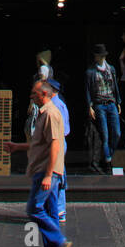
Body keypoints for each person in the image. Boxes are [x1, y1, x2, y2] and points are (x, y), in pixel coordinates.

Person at [5, 79, 71, 247]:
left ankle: (59, 241)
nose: (31, 96)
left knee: (34, 209)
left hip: (46, 171)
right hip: (45, 170)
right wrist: (18, 147)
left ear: (44, 94)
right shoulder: (43, 114)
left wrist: (49, 175)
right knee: (50, 212)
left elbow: (55, 146)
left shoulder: (50, 114)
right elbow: (40, 144)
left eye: (34, 93)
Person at [85, 43, 121, 174]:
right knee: (104, 134)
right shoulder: (90, 72)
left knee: (117, 133)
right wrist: (90, 106)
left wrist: (118, 102)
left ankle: (108, 155)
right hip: (99, 104)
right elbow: (88, 90)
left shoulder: (111, 69)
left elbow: (115, 86)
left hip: (111, 103)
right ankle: (107, 161)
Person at [49, 79, 70, 223]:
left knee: (57, 176)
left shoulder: (56, 106)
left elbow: (61, 129)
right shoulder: (58, 104)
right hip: (59, 141)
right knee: (58, 174)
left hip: (57, 142)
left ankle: (59, 209)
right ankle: (58, 209)